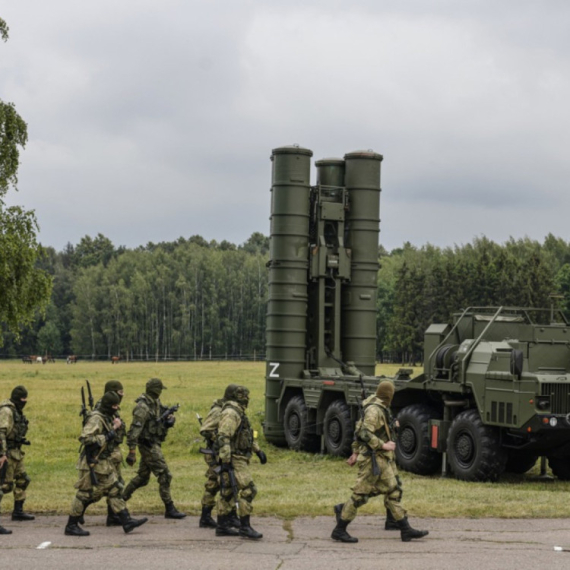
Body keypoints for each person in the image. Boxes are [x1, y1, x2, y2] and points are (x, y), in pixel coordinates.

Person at [331, 380, 428, 543]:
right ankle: (339, 529)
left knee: (393, 490)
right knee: (359, 495)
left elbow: (367, 431)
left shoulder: (381, 407)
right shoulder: (374, 411)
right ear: (389, 394)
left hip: (381, 458)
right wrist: (383, 445)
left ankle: (404, 528)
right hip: (373, 459)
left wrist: (393, 428)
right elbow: (363, 432)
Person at [64, 391, 148, 536]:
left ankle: (126, 521)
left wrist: (117, 428)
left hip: (102, 462)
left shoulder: (108, 417)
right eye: (114, 405)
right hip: (92, 461)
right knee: (84, 494)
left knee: (114, 489)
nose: (117, 408)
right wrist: (109, 433)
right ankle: (71, 525)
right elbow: (86, 439)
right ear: (108, 405)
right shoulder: (96, 418)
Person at [122, 378, 185, 519]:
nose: (161, 392)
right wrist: (132, 452)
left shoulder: (155, 402)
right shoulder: (142, 407)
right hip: (148, 445)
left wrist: (168, 421)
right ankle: (170, 508)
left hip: (154, 443)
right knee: (165, 475)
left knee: (143, 478)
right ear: (156, 390)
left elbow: (158, 417)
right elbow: (134, 431)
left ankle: (118, 503)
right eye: (160, 389)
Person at [215, 385, 267, 539]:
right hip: (235, 459)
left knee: (228, 491)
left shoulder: (238, 412)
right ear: (239, 396)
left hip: (239, 457)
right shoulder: (231, 413)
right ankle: (244, 526)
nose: (248, 398)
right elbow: (223, 437)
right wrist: (225, 460)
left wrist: (258, 451)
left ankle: (222, 525)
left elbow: (245, 435)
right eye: (245, 395)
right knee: (249, 490)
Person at [198, 384, 240, 529]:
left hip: (219, 453)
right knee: (224, 482)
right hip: (215, 454)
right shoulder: (219, 410)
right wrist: (220, 440)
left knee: (214, 483)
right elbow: (204, 429)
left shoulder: (229, 409)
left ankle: (209, 516)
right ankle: (223, 516)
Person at [89, 380, 126, 527]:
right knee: (106, 487)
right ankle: (78, 510)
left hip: (112, 450)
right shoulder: (102, 408)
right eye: (120, 393)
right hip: (105, 452)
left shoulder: (112, 406)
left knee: (116, 485)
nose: (122, 396)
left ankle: (114, 516)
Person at [0, 386, 34, 535]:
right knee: (3, 486)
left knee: (23, 479)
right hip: (6, 453)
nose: (24, 402)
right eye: (22, 399)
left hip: (16, 452)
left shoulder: (16, 410)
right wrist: (2, 454)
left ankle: (18, 511)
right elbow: (0, 432)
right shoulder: (6, 411)